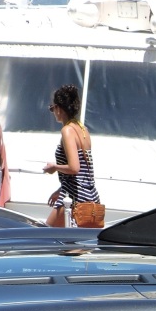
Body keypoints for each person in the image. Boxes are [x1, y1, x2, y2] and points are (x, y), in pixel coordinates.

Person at [43, 84, 104, 227]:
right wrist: (60, 189)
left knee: (45, 237)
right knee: (75, 248)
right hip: (91, 200)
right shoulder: (83, 129)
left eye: (52, 108)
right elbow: (82, 172)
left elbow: (74, 168)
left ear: (59, 109)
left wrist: (54, 167)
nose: (53, 112)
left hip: (74, 200)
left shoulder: (67, 131)